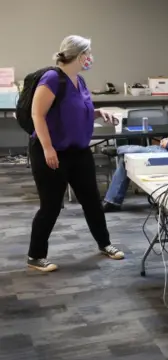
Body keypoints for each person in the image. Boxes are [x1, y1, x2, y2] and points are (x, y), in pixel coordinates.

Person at [28, 35, 125, 272]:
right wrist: (48, 148)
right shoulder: (52, 78)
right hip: (51, 151)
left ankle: (105, 244)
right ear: (78, 55)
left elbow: (77, 112)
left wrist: (99, 113)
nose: (90, 58)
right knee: (51, 205)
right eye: (88, 53)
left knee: (92, 201)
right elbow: (37, 114)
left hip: (78, 151)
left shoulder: (78, 80)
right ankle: (35, 256)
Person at [102, 137, 168, 212]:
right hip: (165, 149)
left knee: (141, 151)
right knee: (126, 159)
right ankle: (112, 201)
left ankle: (118, 150)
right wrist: (167, 139)